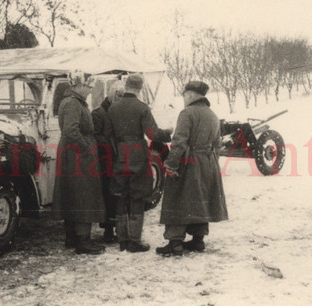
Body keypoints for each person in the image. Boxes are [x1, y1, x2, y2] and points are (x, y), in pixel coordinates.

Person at [157, 80, 228, 257]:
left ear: (190, 95)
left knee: (178, 198)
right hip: (208, 162)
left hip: (189, 162)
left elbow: (179, 142)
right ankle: (198, 240)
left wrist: (171, 165)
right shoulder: (212, 114)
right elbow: (218, 144)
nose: (183, 99)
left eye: (184, 95)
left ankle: (175, 243)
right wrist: (211, 162)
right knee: (201, 198)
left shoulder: (187, 113)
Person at [107, 74, 172, 253]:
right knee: (137, 196)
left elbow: (108, 134)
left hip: (118, 154)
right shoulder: (142, 108)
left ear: (126, 85)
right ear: (140, 88)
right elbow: (152, 134)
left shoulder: (113, 108)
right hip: (137, 154)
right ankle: (134, 241)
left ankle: (122, 240)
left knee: (120, 195)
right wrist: (168, 133)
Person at [53, 74, 106, 255]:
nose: (91, 91)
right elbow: (71, 130)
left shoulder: (71, 101)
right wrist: (86, 148)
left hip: (71, 154)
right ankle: (83, 241)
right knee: (84, 194)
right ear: (79, 86)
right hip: (78, 156)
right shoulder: (74, 103)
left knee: (72, 194)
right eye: (89, 87)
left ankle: (72, 237)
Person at [91, 80, 125, 243]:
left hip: (116, 158)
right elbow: (95, 136)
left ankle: (116, 228)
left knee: (116, 194)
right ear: (112, 94)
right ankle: (108, 230)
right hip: (105, 160)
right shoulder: (98, 114)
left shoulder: (115, 111)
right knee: (107, 193)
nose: (120, 99)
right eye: (119, 95)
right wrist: (110, 145)